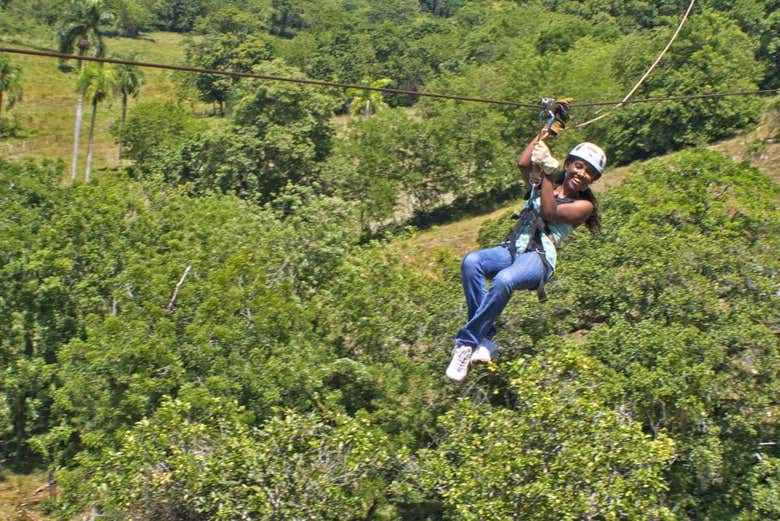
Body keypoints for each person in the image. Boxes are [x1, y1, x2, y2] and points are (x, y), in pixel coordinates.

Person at [445, 136, 606, 382]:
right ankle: (484, 338)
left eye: (590, 172)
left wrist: (549, 175)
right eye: (579, 166)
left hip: (539, 257)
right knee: (471, 262)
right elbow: (523, 163)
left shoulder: (584, 206)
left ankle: (466, 344)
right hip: (513, 248)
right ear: (568, 163)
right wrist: (547, 130)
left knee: (504, 280)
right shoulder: (544, 184)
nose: (582, 174)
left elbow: (549, 211)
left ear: (593, 180)